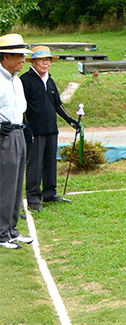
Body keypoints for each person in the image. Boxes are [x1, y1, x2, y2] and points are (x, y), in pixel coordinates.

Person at [21, 46, 80, 211]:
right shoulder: (25, 80)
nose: (45, 63)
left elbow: (57, 105)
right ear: (33, 61)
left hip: (51, 129)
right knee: (35, 165)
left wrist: (70, 120)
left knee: (50, 163)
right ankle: (33, 198)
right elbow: (21, 107)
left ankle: (50, 194)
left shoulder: (50, 80)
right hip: (34, 131)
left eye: (47, 60)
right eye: (41, 60)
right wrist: (26, 127)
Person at [0, 34, 34, 249]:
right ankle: (2, 234)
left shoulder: (17, 80)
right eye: (19, 55)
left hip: (18, 132)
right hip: (3, 136)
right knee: (5, 184)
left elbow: (20, 108)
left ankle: (12, 229)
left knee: (16, 182)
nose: (23, 59)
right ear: (5, 56)